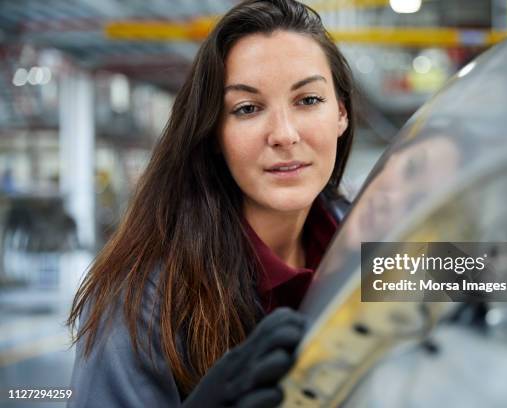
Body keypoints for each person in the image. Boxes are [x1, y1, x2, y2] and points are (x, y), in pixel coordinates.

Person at [66, 0, 355, 406]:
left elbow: (474, 284)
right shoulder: (142, 299)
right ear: (214, 133)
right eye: (248, 108)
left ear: (340, 113)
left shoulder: (369, 237)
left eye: (308, 100)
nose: (284, 134)